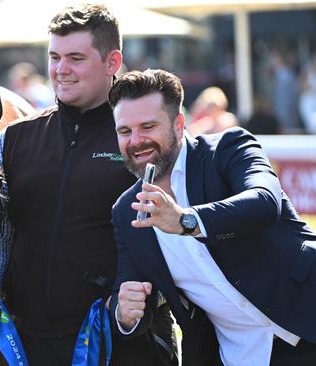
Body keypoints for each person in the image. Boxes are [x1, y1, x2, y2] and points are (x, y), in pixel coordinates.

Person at [0, 4, 176, 365]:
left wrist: (139, 305)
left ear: (112, 62)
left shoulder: (141, 140)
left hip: (123, 342)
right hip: (26, 343)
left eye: (76, 57)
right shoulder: (15, 138)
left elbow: (176, 244)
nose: (61, 70)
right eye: (54, 57)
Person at [108, 69, 316, 365]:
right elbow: (128, 289)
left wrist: (186, 220)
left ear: (179, 124)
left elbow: (265, 202)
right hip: (239, 356)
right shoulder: (125, 210)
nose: (136, 141)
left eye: (148, 126)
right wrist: (123, 312)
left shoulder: (228, 149)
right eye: (125, 131)